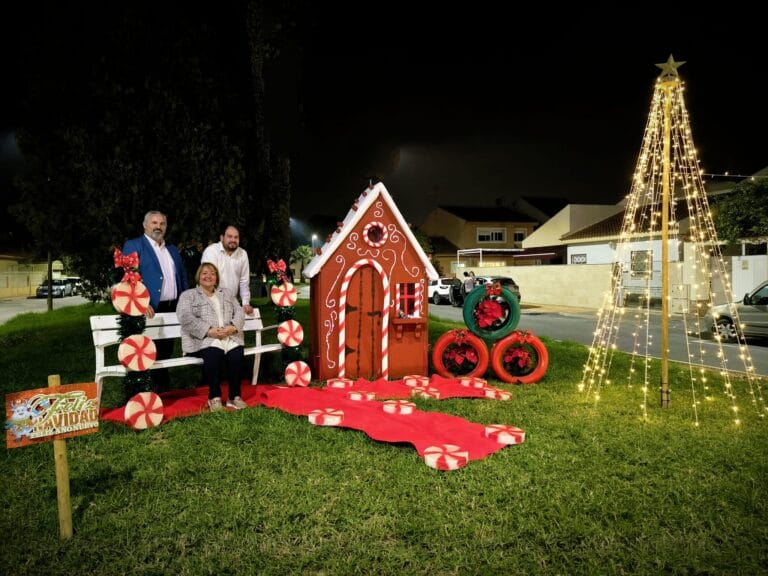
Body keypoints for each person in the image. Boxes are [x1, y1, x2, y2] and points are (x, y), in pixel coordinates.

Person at [123, 210, 189, 393]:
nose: (158, 227)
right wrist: (141, 303)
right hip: (148, 309)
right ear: (145, 225)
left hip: (172, 307)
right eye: (154, 223)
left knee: (166, 351)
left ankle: (162, 390)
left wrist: (184, 301)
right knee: (147, 351)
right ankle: (144, 391)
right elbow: (128, 278)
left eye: (162, 223)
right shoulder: (134, 246)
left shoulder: (172, 250)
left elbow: (182, 277)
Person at [177, 263, 247, 411]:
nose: (208, 276)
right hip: (204, 339)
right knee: (214, 353)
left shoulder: (226, 293)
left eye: (212, 273)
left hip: (229, 335)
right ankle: (214, 397)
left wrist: (233, 327)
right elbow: (185, 317)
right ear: (198, 277)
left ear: (216, 278)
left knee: (236, 356)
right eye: (204, 273)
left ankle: (234, 396)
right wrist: (209, 331)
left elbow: (239, 311)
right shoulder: (188, 295)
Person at [200, 225, 253, 315]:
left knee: (234, 328)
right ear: (222, 238)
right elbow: (208, 281)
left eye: (236, 237)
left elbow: (244, 281)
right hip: (210, 305)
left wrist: (245, 303)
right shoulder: (211, 251)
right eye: (229, 236)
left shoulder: (242, 254)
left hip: (232, 306)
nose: (233, 240)